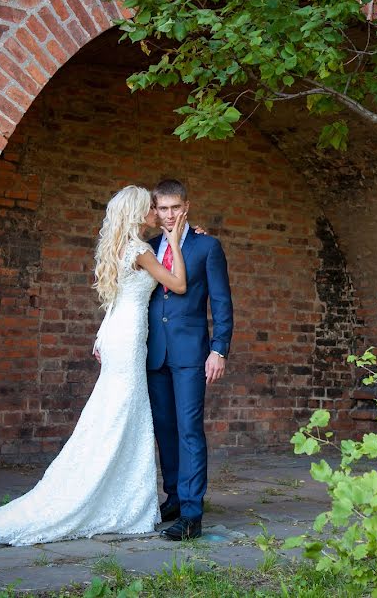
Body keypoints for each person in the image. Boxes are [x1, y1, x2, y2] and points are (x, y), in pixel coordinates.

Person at [0, 185, 188, 549]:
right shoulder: (142, 250)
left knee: (114, 410)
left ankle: (117, 492)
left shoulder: (117, 247)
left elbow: (113, 301)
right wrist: (175, 242)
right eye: (150, 208)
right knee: (122, 411)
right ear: (136, 213)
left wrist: (100, 336)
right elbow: (178, 284)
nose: (155, 214)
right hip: (128, 338)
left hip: (115, 333)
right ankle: (114, 497)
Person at [146, 179, 233, 541]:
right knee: (165, 430)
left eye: (175, 208)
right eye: (162, 208)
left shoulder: (207, 246)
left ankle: (193, 514)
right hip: (155, 353)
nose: (169, 215)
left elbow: (222, 301)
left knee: (189, 429)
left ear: (186, 207)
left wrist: (219, 348)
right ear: (156, 210)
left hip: (192, 353)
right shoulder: (148, 247)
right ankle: (176, 498)